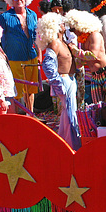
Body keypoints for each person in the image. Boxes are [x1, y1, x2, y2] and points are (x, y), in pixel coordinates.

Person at [36, 13, 81, 150]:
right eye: (60, 22)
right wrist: (58, 84)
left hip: (70, 80)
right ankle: (73, 145)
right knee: (69, 114)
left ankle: (63, 142)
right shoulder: (55, 43)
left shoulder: (64, 42)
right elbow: (48, 65)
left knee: (67, 115)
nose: (63, 24)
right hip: (64, 80)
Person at [0, 0, 39, 113]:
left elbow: (36, 37)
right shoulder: (4, 17)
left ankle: (30, 114)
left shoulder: (33, 15)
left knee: (31, 89)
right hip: (14, 58)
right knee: (15, 89)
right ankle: (16, 116)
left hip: (31, 56)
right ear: (11, 0)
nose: (19, 0)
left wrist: (39, 56)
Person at [65, 10, 106, 105]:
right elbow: (83, 60)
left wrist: (75, 51)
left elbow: (93, 55)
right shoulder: (83, 39)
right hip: (94, 76)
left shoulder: (95, 35)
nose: (73, 32)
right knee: (97, 105)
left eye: (73, 29)